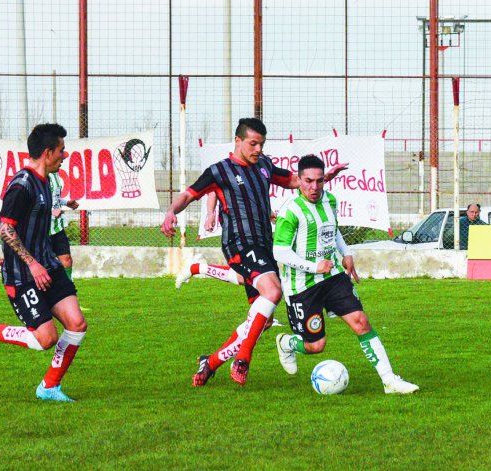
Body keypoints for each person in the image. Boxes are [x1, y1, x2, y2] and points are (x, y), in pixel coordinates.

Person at [161, 117, 345, 386]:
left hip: (264, 245)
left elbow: (294, 180)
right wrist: (170, 212)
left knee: (264, 319)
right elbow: (189, 195)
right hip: (238, 244)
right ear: (238, 141)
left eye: (261, 144)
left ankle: (210, 362)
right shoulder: (219, 171)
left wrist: (323, 178)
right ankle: (243, 358)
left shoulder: (264, 166)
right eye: (253, 143)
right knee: (273, 291)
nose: (258, 149)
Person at [273, 154, 419, 394]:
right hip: (302, 286)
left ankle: (389, 380)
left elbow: (333, 230)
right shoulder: (290, 211)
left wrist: (346, 253)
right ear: (299, 180)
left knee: (361, 322)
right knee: (316, 345)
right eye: (308, 181)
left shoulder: (329, 200)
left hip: (332, 277)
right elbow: (279, 252)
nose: (314, 187)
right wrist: (314, 266)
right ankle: (286, 342)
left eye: (319, 181)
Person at [0, 123, 88, 403]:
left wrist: (40, 259)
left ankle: (49, 387)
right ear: (47, 153)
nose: (66, 154)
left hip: (49, 267)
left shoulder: (46, 181)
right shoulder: (22, 185)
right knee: (46, 339)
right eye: (61, 150)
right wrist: (30, 263)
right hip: (23, 276)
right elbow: (5, 228)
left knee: (77, 323)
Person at [0, 175, 79, 284]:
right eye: (61, 157)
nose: (62, 159)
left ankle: (68, 287)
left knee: (66, 260)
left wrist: (66, 203)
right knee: (33, 263)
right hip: (41, 229)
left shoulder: (56, 176)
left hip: (57, 227)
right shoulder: (34, 178)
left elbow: (54, 198)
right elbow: (34, 201)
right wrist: (49, 212)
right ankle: (1, 264)